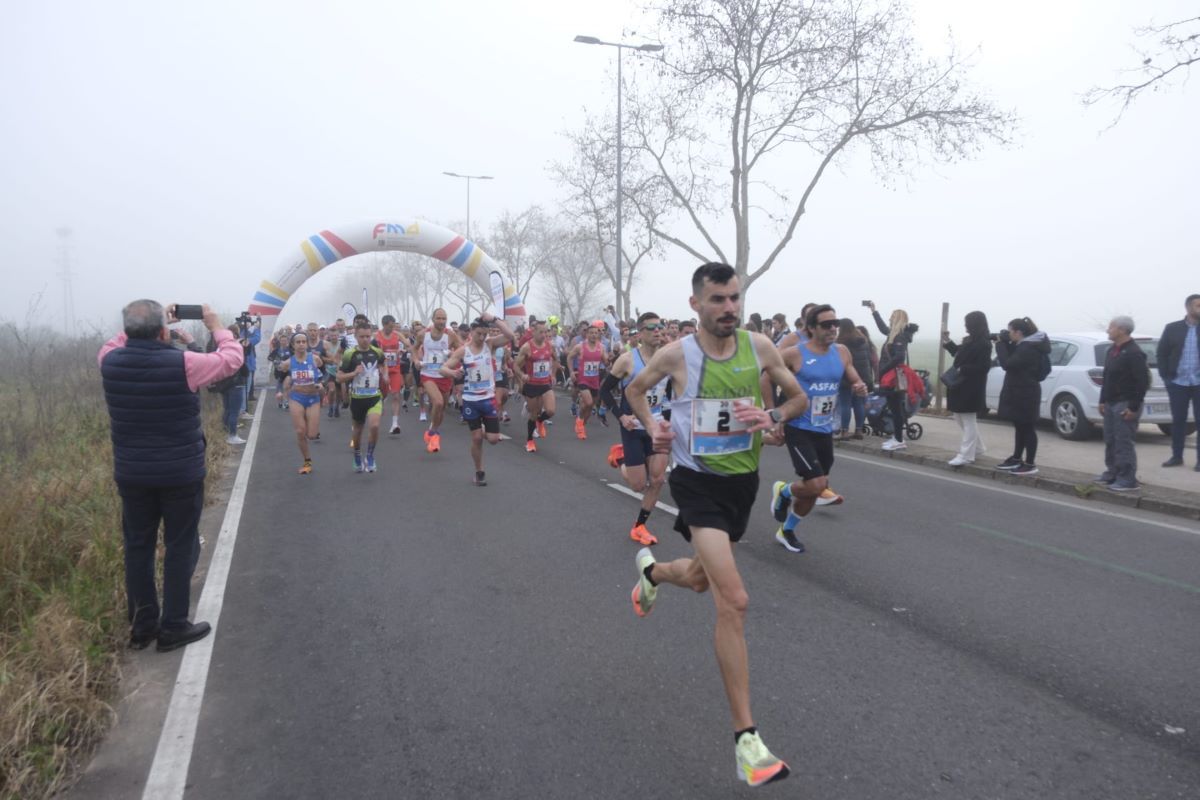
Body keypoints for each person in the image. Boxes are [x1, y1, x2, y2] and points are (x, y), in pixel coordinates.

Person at [626, 262, 809, 788]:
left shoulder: (761, 348)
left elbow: (795, 398)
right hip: (696, 482)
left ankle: (654, 574)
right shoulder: (676, 354)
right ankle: (747, 741)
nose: (729, 308)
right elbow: (638, 390)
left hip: (742, 483)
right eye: (718, 300)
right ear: (696, 305)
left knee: (703, 577)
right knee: (734, 598)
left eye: (735, 298)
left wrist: (771, 419)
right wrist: (653, 424)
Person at [99, 301, 243, 652]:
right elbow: (231, 358)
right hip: (180, 472)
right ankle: (174, 626)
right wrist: (215, 324)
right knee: (179, 546)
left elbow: (116, 343)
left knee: (138, 547)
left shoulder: (110, 361)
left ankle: (142, 626)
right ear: (164, 331)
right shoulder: (184, 363)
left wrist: (149, 322)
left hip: (132, 474)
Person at [764, 305, 868, 553]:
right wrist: (772, 414)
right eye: (826, 324)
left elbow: (853, 376)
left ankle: (787, 529)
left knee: (816, 488)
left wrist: (859, 386)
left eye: (836, 323)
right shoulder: (793, 354)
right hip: (798, 426)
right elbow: (766, 377)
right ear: (811, 328)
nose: (833, 328)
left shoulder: (842, 352)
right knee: (815, 483)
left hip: (824, 428)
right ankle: (785, 491)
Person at [600, 311, 671, 546]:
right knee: (638, 485)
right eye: (652, 328)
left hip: (657, 425)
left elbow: (669, 393)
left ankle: (640, 526)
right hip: (633, 426)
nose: (658, 331)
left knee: (658, 479)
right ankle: (620, 458)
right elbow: (604, 391)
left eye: (660, 326)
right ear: (640, 333)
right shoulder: (628, 360)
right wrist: (621, 417)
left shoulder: (667, 359)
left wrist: (669, 418)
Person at [440, 313, 514, 486]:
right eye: (478, 333)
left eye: (484, 334)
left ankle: (483, 428)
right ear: (471, 332)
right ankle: (479, 471)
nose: (481, 337)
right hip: (470, 400)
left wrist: (494, 319)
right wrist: (452, 373)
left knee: (494, 439)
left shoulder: (490, 345)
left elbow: (510, 336)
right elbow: (443, 368)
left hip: (488, 399)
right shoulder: (463, 351)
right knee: (476, 438)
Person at [1095, 316, 1150, 491]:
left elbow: (1141, 382)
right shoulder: (1112, 351)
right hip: (1111, 402)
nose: (1107, 330)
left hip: (1125, 402)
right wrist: (1102, 400)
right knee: (1110, 439)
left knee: (1123, 441)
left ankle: (1127, 479)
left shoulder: (1134, 353)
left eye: (1111, 327)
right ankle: (1112, 472)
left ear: (1122, 330)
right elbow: (1107, 377)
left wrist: (1133, 406)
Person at [993, 317, 1051, 476]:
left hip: (1026, 392)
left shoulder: (1029, 348)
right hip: (1020, 390)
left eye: (1010, 331)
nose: (1009, 334)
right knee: (1019, 426)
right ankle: (1017, 457)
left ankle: (1030, 463)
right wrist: (1007, 342)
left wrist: (999, 344)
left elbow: (1008, 364)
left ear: (1018, 332)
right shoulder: (1024, 345)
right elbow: (1013, 360)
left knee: (1027, 428)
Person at [941, 311, 993, 466]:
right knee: (959, 416)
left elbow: (984, 366)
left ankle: (966, 455)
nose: (965, 325)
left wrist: (962, 370)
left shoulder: (984, 343)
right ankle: (978, 447)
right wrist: (948, 341)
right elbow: (959, 353)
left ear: (975, 324)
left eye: (967, 323)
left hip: (971, 386)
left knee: (968, 419)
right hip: (961, 384)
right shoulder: (970, 340)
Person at [337, 321, 389, 473]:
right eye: (362, 337)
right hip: (358, 398)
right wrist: (353, 373)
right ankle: (357, 455)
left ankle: (370, 456)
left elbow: (383, 363)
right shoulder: (349, 354)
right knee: (358, 430)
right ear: (356, 336)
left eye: (368, 336)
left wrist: (385, 375)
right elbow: (339, 377)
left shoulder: (377, 351)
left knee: (374, 425)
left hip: (374, 396)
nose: (365, 339)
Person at [1156, 294, 1200, 470]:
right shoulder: (1172, 328)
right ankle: (1176, 456)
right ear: (1188, 308)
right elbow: (1161, 354)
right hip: (1178, 383)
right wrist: (1167, 377)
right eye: (1198, 306)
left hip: (1198, 383)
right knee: (1178, 421)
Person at [868, 301, 918, 451]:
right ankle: (897, 437)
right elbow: (883, 328)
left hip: (893, 377)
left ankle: (898, 439)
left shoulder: (900, 337)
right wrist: (874, 312)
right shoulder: (894, 334)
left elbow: (898, 358)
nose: (889, 319)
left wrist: (883, 369)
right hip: (891, 376)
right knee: (895, 408)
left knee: (896, 408)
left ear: (897, 319)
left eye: (891, 317)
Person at [414, 308, 462, 453]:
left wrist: (452, 354)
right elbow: (414, 348)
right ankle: (434, 435)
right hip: (428, 374)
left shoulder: (451, 335)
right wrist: (416, 359)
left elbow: (461, 350)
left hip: (445, 375)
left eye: (444, 319)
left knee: (442, 409)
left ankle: (432, 429)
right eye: (439, 318)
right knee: (438, 402)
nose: (441, 321)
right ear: (433, 319)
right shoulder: (423, 334)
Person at [277, 331, 324, 474]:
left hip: (313, 398)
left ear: (307, 344)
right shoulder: (287, 363)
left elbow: (323, 374)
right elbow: (280, 378)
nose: (301, 344)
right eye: (298, 342)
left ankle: (307, 422)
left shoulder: (315, 359)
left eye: (304, 341)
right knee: (300, 432)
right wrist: (279, 391)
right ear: (293, 345)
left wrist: (321, 384)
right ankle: (307, 461)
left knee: (311, 435)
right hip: (296, 397)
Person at [514, 319, 557, 452]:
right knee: (534, 413)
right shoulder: (527, 347)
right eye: (541, 332)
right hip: (532, 384)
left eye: (545, 332)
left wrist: (553, 374)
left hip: (545, 383)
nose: (543, 335)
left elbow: (555, 359)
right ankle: (530, 441)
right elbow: (515, 365)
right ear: (533, 332)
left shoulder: (549, 346)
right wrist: (522, 375)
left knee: (550, 411)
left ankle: (540, 420)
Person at [568, 321, 606, 440]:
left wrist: (610, 361)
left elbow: (605, 361)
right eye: (591, 333)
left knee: (590, 407)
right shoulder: (580, 346)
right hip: (583, 379)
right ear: (587, 334)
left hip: (595, 380)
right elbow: (569, 357)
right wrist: (571, 372)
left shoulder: (601, 347)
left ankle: (581, 426)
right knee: (588, 403)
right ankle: (579, 420)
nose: (594, 335)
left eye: (596, 333)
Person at [835, 319, 873, 440]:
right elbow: (868, 360)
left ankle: (844, 432)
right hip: (862, 377)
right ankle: (859, 430)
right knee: (859, 404)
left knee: (845, 404)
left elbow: (840, 362)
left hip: (847, 377)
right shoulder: (864, 341)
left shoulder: (841, 343)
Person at [375, 315, 409, 435]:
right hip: (380, 369)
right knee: (382, 395)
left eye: (393, 325)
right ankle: (382, 400)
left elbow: (407, 344)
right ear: (384, 325)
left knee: (395, 394)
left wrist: (403, 349)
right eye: (390, 326)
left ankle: (395, 424)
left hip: (395, 369)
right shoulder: (376, 336)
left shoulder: (397, 335)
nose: (392, 328)